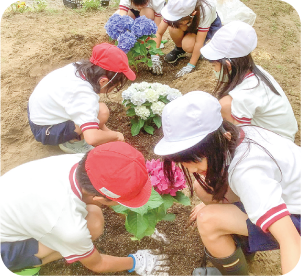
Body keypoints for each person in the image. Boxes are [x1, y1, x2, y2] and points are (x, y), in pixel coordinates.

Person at [154, 91, 301, 276]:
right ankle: (243, 250)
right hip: (287, 195)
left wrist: (218, 210)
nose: (191, 170)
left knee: (208, 220)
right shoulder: (237, 133)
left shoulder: (247, 173)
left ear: (221, 139)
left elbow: (291, 240)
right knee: (204, 189)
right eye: (184, 162)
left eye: (196, 160)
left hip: (294, 215)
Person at [0, 141, 169, 276]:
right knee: (89, 229)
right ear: (99, 198)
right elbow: (98, 264)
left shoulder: (84, 161)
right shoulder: (67, 225)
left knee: (94, 219)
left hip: (16, 203)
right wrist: (136, 261)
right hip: (5, 245)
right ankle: (22, 264)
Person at [28, 43, 136, 154]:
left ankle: (76, 135)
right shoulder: (82, 94)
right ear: (103, 81)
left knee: (101, 110)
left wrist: (109, 136)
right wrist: (117, 135)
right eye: (115, 86)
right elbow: (92, 138)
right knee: (99, 115)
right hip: (45, 129)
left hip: (39, 110)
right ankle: (73, 143)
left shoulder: (80, 68)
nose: (114, 89)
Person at [201, 21, 298, 141]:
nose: (214, 70)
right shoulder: (254, 72)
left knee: (224, 110)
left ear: (228, 65)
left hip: (277, 147)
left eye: (214, 66)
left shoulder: (239, 97)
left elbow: (238, 141)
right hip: (283, 137)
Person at [151, 0, 221, 77]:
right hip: (187, 21)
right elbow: (158, 33)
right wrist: (154, 56)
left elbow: (199, 42)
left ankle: (199, 52)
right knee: (173, 28)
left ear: (193, 14)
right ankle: (179, 49)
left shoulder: (206, 9)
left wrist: (190, 66)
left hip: (204, 26)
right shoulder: (175, 6)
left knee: (189, 45)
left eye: (180, 22)